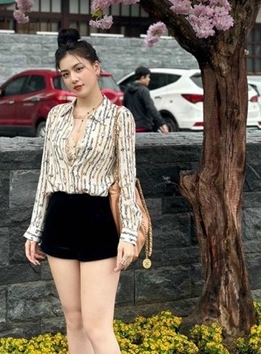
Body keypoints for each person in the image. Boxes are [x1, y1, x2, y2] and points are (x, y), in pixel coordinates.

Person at [24, 28, 141, 354]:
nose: (73, 78)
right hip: (59, 218)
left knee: (96, 326)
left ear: (96, 67)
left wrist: (129, 234)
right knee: (73, 320)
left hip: (98, 221)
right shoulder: (56, 116)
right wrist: (34, 228)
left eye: (79, 69)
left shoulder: (119, 118)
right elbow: (47, 175)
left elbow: (127, 179)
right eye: (65, 73)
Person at [122, 66, 169, 133]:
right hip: (143, 126)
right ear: (142, 77)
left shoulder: (127, 90)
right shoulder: (143, 90)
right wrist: (162, 123)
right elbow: (151, 108)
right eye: (148, 77)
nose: (149, 79)